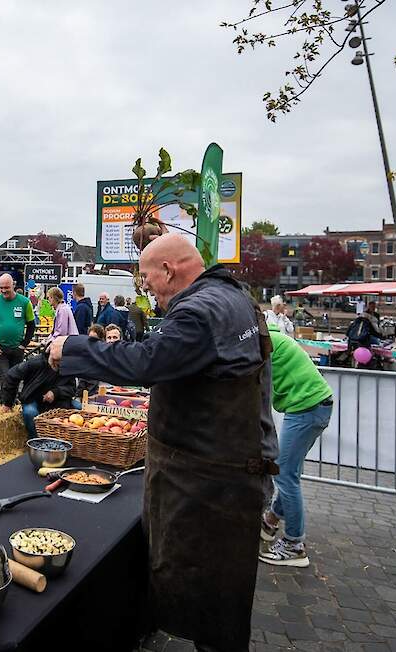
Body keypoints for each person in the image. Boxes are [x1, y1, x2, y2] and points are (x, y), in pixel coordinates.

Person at [48, 233, 278, 650]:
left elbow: (146, 362)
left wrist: (75, 348)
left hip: (209, 483)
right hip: (229, 469)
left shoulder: (199, 311)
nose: (145, 287)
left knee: (214, 601)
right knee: (218, 596)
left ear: (168, 271)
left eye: (145, 277)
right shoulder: (235, 295)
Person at [259, 321, 333, 568]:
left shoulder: (263, 343)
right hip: (314, 406)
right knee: (290, 470)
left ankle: (294, 545)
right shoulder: (272, 336)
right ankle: (270, 521)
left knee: (285, 473)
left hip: (306, 408)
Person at [0, 350, 76, 439]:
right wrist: (8, 403)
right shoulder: (35, 362)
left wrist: (56, 392)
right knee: (30, 412)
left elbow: (72, 388)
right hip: (33, 398)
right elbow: (11, 376)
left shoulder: (68, 366)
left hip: (59, 400)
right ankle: (36, 440)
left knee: (77, 407)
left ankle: (65, 440)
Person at [0, 273, 35, 382]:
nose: (4, 290)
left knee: (15, 380)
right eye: (1, 288)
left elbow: (31, 325)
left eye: (7, 287)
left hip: (17, 349)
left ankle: (11, 399)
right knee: (5, 380)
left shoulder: (25, 302)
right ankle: (7, 399)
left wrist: (24, 344)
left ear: (13, 285)